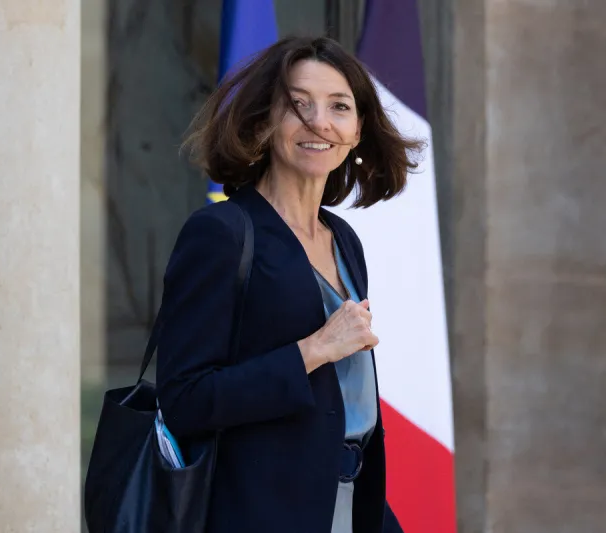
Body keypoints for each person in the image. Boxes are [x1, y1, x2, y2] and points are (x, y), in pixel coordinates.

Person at [155, 36, 421, 533]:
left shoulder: (344, 239)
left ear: (358, 129)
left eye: (339, 107)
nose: (319, 121)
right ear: (263, 122)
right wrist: (315, 348)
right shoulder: (222, 233)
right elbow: (185, 399)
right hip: (258, 512)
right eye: (298, 105)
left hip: (351, 503)